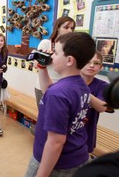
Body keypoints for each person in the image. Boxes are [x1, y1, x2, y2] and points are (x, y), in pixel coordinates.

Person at [25, 32, 96, 177]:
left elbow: (56, 142)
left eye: (56, 53)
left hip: (58, 164)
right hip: (76, 156)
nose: (51, 56)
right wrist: (42, 67)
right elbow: (48, 89)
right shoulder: (79, 84)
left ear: (69, 60)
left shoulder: (58, 94)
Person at [34, 17, 76, 112]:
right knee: (45, 117)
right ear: (57, 28)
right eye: (66, 27)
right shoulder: (46, 43)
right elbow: (35, 65)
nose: (70, 30)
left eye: (72, 28)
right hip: (43, 87)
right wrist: (46, 59)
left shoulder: (71, 47)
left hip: (63, 88)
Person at [81, 51, 114, 153]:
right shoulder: (68, 81)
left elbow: (102, 107)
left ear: (100, 67)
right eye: (87, 62)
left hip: (86, 135)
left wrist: (80, 88)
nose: (91, 66)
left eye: (96, 63)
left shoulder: (102, 86)